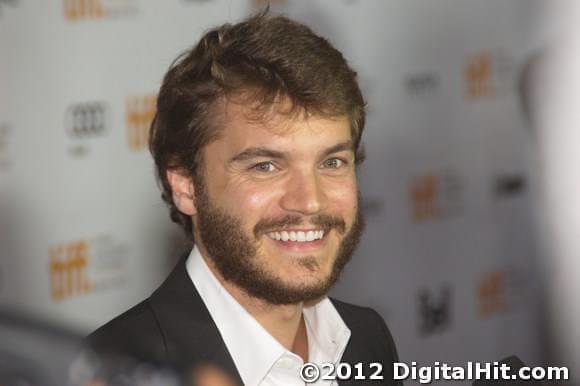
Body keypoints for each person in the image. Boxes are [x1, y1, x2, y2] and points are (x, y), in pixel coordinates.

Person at [85, 11, 400, 386]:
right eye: (266, 166)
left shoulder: (365, 337)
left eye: (332, 162)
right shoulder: (115, 373)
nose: (310, 201)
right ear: (186, 186)